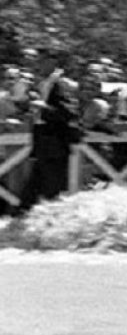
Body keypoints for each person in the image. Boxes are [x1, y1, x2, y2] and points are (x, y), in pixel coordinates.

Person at [17, 47, 80, 214]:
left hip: (54, 143)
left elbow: (69, 113)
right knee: (36, 187)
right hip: (43, 142)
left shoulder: (62, 84)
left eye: (41, 61)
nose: (37, 65)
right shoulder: (43, 83)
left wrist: (43, 107)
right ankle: (19, 217)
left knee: (50, 189)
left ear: (52, 62)